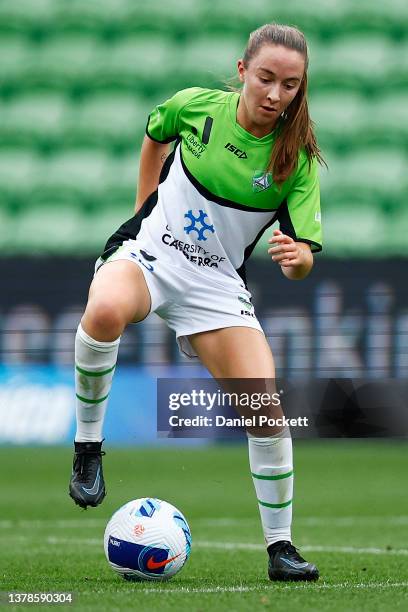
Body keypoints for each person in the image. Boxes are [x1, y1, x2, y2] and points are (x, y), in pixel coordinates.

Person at [69, 23, 324, 582]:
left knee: (265, 408)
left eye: (290, 85)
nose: (275, 94)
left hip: (215, 283)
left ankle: (280, 548)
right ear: (242, 71)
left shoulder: (295, 159)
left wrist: (294, 256)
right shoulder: (196, 107)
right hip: (151, 253)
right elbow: (154, 132)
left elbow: (304, 259)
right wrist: (143, 207)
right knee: (105, 311)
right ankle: (89, 446)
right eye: (265, 78)